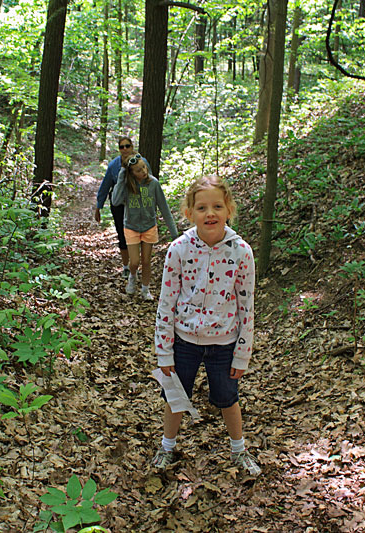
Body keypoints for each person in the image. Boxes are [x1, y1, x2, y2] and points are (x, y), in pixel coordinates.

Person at [150, 175, 260, 476]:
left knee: (228, 398)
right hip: (184, 341)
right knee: (175, 397)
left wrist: (242, 353)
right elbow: (166, 303)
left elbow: (246, 305)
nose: (209, 214)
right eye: (201, 208)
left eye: (217, 206)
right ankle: (167, 447)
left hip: (224, 342)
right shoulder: (178, 250)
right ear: (189, 213)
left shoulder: (241, 252)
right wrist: (164, 352)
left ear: (229, 210)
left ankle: (239, 450)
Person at [111, 153, 179, 300]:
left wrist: (174, 234)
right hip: (131, 227)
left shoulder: (153, 183)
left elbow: (164, 209)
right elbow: (115, 201)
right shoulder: (127, 185)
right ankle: (132, 276)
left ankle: (145, 290)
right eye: (139, 170)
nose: (143, 171)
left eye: (144, 167)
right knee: (134, 261)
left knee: (146, 261)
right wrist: (122, 175)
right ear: (131, 173)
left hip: (149, 227)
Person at [93, 136, 149, 279]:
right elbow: (105, 186)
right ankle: (126, 267)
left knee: (138, 235)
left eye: (127, 146)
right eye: (122, 147)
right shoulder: (114, 165)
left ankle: (136, 266)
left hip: (138, 205)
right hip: (119, 206)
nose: (125, 149)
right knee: (123, 235)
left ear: (132, 146)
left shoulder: (142, 162)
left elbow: (150, 182)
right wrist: (98, 207)